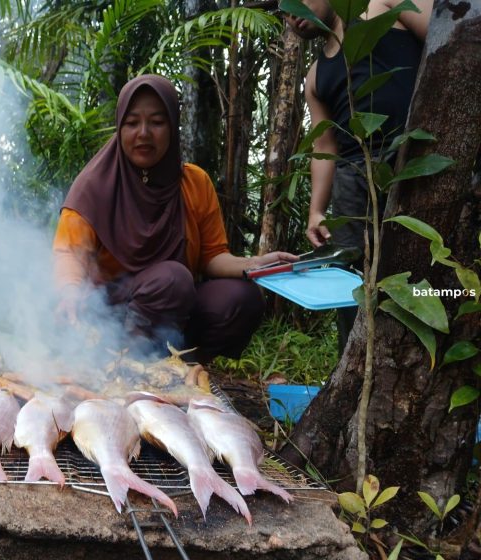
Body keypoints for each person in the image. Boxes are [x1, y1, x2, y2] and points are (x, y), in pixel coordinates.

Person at [52, 74, 297, 364]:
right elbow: (69, 253)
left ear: (172, 127)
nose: (144, 133)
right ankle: (123, 366)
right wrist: (70, 292)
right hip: (107, 318)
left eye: (157, 122)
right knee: (173, 279)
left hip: (173, 306)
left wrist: (253, 264)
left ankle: (180, 368)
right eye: (132, 123)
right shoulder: (94, 186)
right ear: (119, 128)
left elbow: (212, 256)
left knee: (241, 298)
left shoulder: (194, 182)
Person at [284, 0, 433, 352]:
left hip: (413, 157)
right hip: (352, 182)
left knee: (426, 268)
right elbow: (325, 143)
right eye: (284, 10)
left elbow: (453, 39)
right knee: (353, 281)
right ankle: (354, 362)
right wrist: (316, 211)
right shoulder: (316, 75)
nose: (291, 14)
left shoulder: (384, 6)